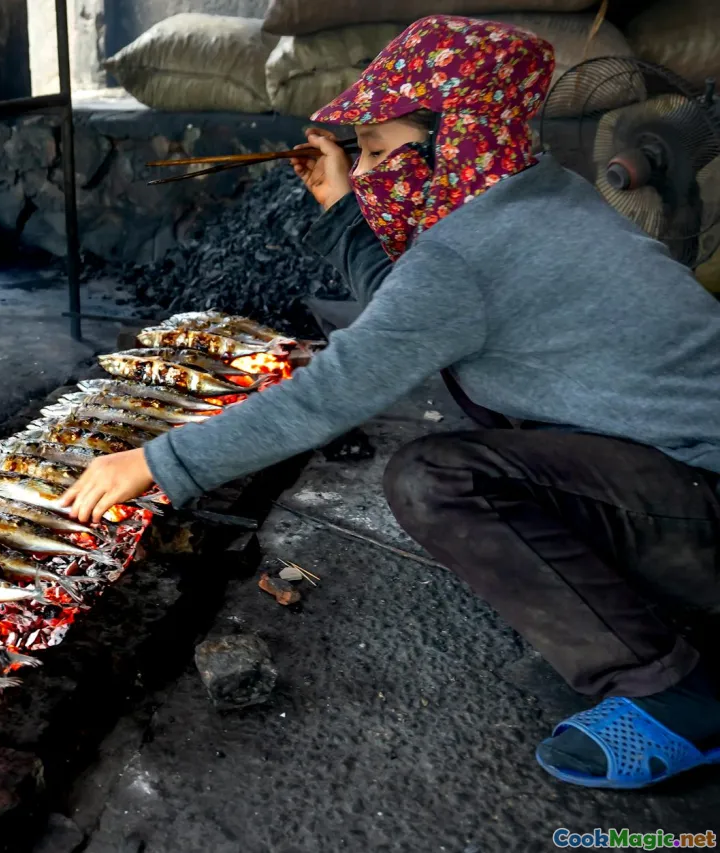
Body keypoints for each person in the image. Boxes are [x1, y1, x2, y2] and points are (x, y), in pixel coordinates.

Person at [60, 15, 720, 790]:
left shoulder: (469, 252)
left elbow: (335, 389)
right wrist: (343, 206)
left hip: (700, 502)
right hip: (676, 478)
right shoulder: (532, 195)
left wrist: (158, 460)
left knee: (437, 477)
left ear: (448, 142)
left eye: (376, 149)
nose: (368, 168)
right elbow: (410, 314)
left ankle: (671, 693)